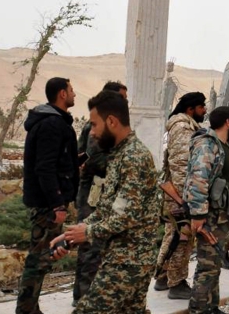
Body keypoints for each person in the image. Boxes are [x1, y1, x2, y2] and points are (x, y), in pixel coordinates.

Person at [51, 90, 161, 313]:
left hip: (129, 259)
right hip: (124, 256)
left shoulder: (133, 157)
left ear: (111, 121)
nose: (91, 133)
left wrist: (87, 233)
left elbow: (126, 217)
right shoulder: (120, 154)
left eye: (94, 124)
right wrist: (72, 235)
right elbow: (106, 210)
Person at [17, 77, 79, 314]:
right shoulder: (52, 124)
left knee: (42, 258)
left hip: (49, 202)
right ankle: (26, 310)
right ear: (62, 94)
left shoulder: (54, 123)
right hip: (47, 205)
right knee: (39, 259)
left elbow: (56, 162)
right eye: (71, 90)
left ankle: (30, 308)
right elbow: (45, 167)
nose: (74, 94)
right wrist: (57, 205)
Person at [184, 106, 229, 314]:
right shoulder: (207, 144)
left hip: (221, 216)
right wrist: (198, 215)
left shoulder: (223, 145)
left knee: (214, 264)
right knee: (207, 266)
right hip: (210, 217)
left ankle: (212, 306)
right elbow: (198, 179)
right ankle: (198, 309)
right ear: (228, 122)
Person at [73, 81, 126, 304]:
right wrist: (121, 164)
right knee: (90, 246)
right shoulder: (97, 127)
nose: (125, 103)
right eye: (122, 98)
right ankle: (85, 297)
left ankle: (87, 295)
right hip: (92, 193)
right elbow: (93, 159)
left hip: (100, 192)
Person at [154, 91, 207, 299]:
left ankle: (163, 277)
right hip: (180, 194)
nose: (204, 110)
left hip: (178, 193)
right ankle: (176, 283)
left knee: (174, 236)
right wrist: (187, 199)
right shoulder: (182, 128)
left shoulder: (185, 126)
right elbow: (182, 165)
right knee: (181, 238)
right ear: (190, 109)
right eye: (201, 106)